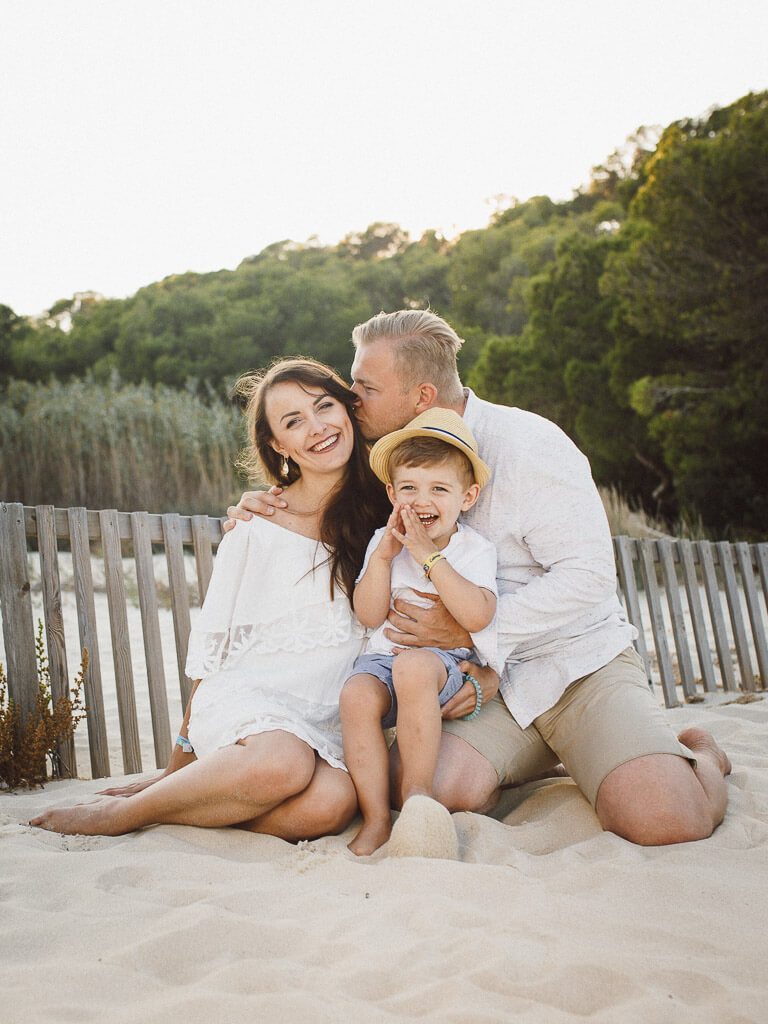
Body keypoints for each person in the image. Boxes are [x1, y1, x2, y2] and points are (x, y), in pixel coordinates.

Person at [231, 309, 731, 847]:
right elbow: (318, 497)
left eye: (365, 386)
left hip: (575, 665)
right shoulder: (387, 458)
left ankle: (700, 754)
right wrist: (264, 506)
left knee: (664, 820)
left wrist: (470, 631)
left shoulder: (529, 445)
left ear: (421, 397)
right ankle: (545, 759)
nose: (352, 398)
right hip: (475, 682)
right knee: (428, 787)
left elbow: (587, 578)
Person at [31, 357, 390, 839]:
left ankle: (195, 801)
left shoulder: (385, 515)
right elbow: (214, 650)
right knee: (282, 764)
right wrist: (175, 764)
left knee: (331, 805)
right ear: (277, 446)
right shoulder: (257, 525)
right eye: (293, 422)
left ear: (348, 409)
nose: (317, 427)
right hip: (251, 703)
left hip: (326, 716)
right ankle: (124, 816)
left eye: (324, 406)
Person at [340, 409, 498, 857]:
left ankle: (417, 799)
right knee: (355, 695)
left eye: (439, 489)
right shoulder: (382, 542)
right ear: (392, 493)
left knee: (412, 667)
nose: (422, 500)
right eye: (409, 488)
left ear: (467, 497)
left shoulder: (472, 549)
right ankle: (374, 818)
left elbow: (478, 614)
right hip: (382, 660)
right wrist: (385, 559)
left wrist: (430, 557)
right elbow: (369, 615)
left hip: (439, 667)